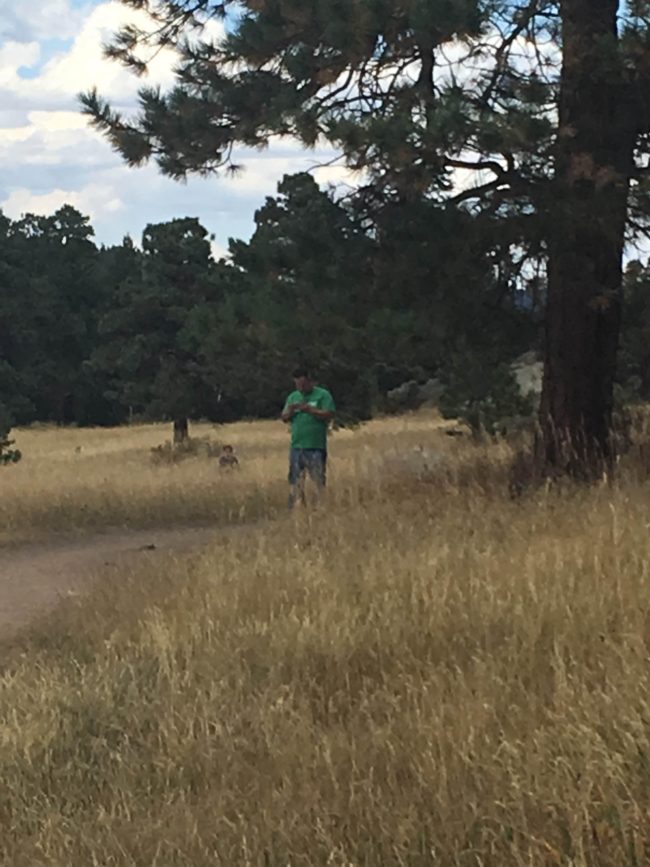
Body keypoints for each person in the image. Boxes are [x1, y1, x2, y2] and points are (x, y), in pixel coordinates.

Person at [281, 367, 336, 507]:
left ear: (309, 381)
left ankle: (321, 505)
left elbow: (329, 414)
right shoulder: (293, 397)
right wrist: (290, 410)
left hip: (315, 445)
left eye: (303, 384)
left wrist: (310, 410)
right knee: (295, 479)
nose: (300, 388)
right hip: (297, 446)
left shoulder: (322, 395)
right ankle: (297, 506)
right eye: (297, 385)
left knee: (318, 479)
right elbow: (284, 417)